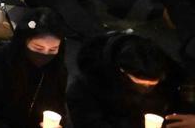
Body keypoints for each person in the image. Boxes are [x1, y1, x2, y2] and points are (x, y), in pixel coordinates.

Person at [67, 32, 195, 127]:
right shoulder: (89, 84)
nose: (148, 89)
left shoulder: (169, 71)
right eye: (143, 85)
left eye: (153, 84)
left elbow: (181, 101)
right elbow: (89, 121)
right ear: (123, 72)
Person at [0, 8, 69, 128]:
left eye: (53, 49)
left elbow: (57, 108)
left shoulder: (58, 69)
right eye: (38, 48)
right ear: (24, 42)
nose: (45, 54)